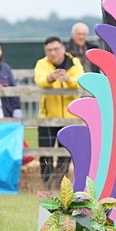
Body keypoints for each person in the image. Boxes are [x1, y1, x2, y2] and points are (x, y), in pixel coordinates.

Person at [35, 36, 85, 185]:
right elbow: (40, 80)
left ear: (63, 49)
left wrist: (68, 79)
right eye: (49, 50)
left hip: (70, 117)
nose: (53, 53)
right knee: (45, 152)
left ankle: (58, 183)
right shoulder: (42, 63)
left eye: (56, 49)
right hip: (47, 117)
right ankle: (46, 184)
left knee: (66, 153)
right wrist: (50, 78)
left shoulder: (74, 62)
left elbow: (81, 80)